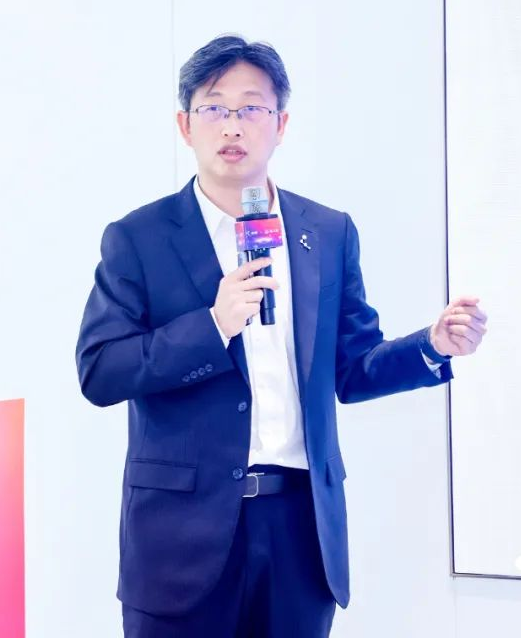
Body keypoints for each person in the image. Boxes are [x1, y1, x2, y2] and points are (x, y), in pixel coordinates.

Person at [75, 35, 487, 638]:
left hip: (300, 529)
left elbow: (352, 369)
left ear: (281, 123)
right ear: (185, 125)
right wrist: (213, 325)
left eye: (252, 107)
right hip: (180, 538)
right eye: (214, 107)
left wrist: (431, 345)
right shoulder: (137, 237)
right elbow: (100, 371)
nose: (233, 125)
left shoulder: (327, 231)